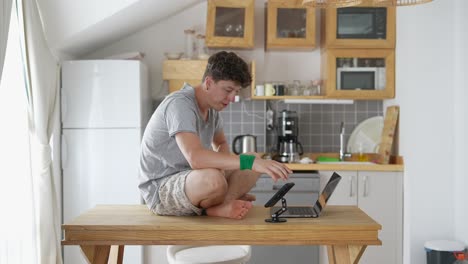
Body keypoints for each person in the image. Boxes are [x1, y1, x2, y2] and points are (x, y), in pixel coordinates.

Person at [139, 51, 292, 220]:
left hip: (192, 181)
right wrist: (233, 174)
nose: (232, 98)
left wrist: (233, 170)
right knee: (217, 178)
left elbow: (220, 143)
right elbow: (195, 158)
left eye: (236, 91)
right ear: (208, 83)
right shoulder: (180, 104)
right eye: (228, 90)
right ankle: (213, 208)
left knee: (252, 159)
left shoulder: (212, 111)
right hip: (161, 190)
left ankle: (222, 204)